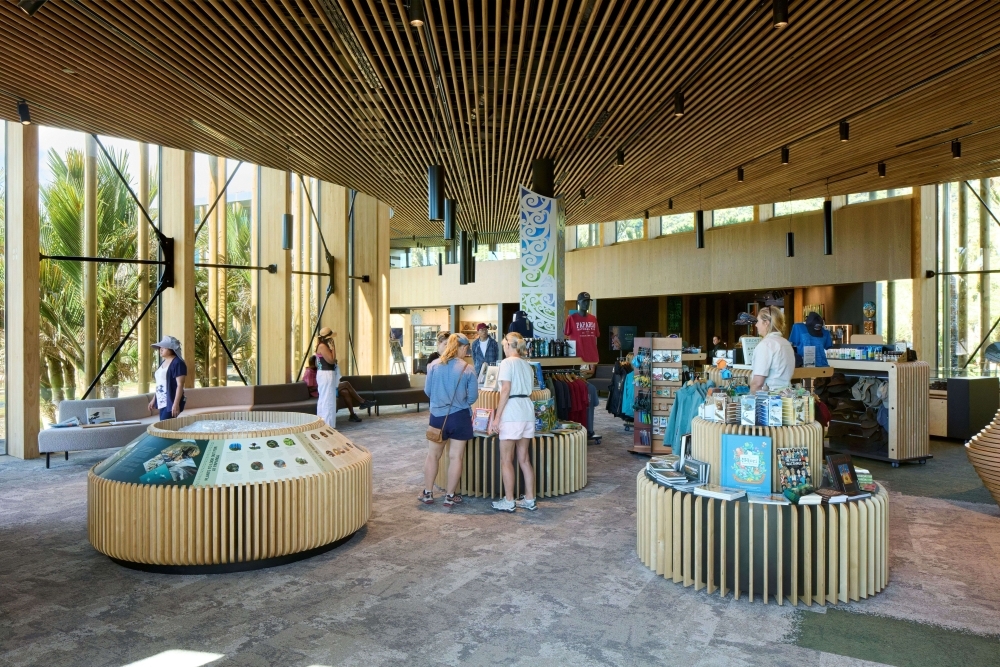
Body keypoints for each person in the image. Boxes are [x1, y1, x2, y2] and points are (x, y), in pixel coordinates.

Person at [419, 333, 478, 507]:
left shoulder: (433, 366)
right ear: (463, 347)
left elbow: (428, 392)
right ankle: (450, 496)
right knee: (456, 457)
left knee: (432, 456)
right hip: (460, 417)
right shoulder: (467, 368)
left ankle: (428, 493)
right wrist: (461, 403)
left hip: (437, 418)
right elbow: (473, 397)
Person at [489, 332, 538, 512]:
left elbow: (505, 390)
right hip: (527, 410)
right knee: (524, 459)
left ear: (509, 345)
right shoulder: (527, 365)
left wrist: (497, 417)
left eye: (504, 345)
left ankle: (509, 500)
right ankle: (530, 499)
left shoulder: (506, 363)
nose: (503, 349)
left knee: (506, 459)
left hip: (512, 412)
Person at [304, 356, 374, 422]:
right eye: (318, 362)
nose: (319, 363)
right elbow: (310, 389)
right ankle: (362, 401)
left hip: (326, 388)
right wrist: (323, 385)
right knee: (346, 383)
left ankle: (352, 415)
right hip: (320, 391)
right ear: (313, 363)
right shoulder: (309, 372)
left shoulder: (318, 370)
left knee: (345, 392)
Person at [749, 306, 795, 393]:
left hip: (769, 398)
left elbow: (758, 383)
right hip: (786, 396)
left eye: (758, 321)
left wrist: (749, 400)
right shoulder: (786, 343)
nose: (756, 325)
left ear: (766, 322)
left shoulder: (765, 345)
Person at [148, 336, 187, 420]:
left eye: (164, 347)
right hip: (162, 402)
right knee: (165, 428)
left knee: (164, 428)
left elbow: (180, 385)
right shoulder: (163, 362)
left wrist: (175, 404)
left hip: (171, 402)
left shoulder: (178, 363)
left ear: (172, 349)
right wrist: (154, 399)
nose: (160, 349)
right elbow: (161, 384)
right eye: (160, 347)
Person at [315, 327, 341, 427]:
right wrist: (333, 347)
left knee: (324, 398)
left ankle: (322, 423)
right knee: (328, 399)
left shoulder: (320, 346)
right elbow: (331, 360)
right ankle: (328, 425)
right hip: (326, 374)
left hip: (323, 374)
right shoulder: (322, 346)